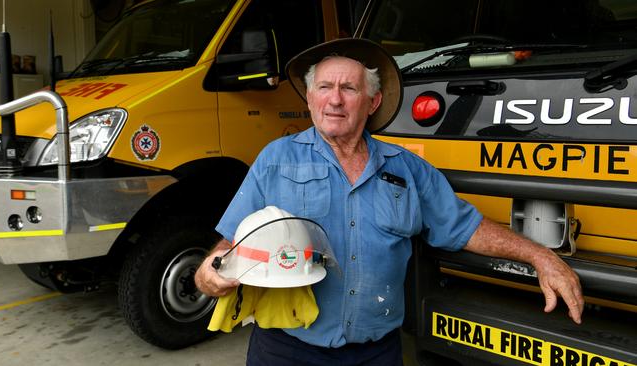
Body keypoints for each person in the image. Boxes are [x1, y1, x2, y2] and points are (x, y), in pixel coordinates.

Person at [195, 38, 584, 366]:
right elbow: (232, 242)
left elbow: (465, 227)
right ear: (310, 98)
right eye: (324, 88)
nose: (335, 100)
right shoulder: (275, 159)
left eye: (348, 89)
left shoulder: (408, 169)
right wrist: (210, 274)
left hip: (376, 353)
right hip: (286, 350)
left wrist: (541, 256)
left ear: (373, 101)